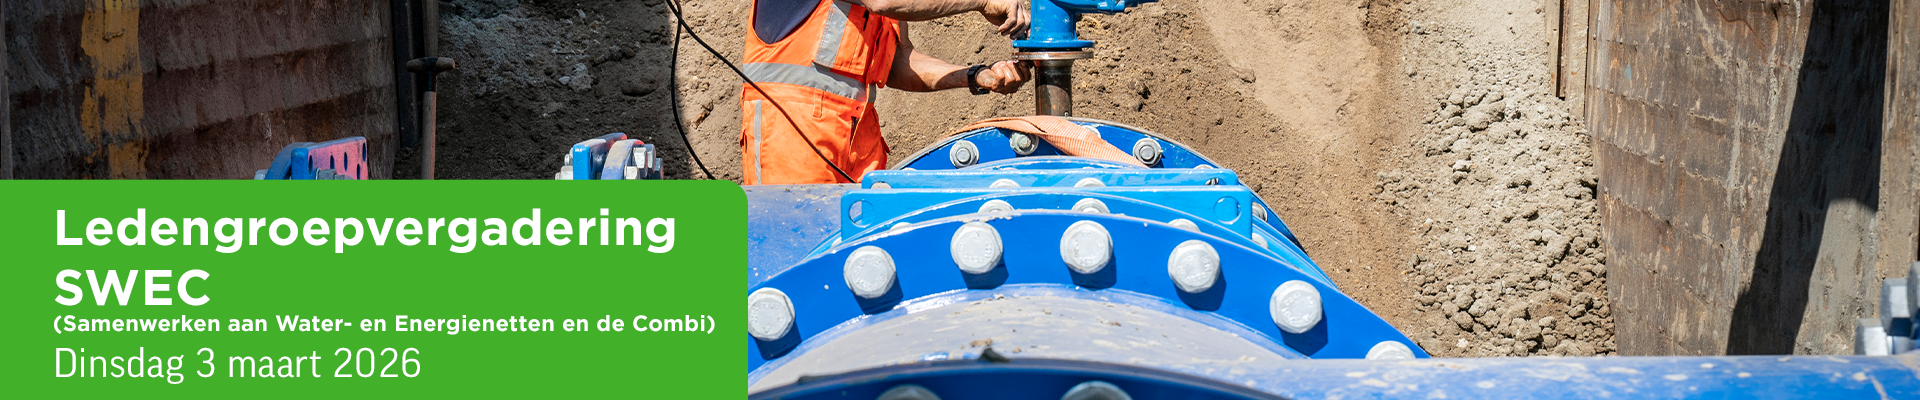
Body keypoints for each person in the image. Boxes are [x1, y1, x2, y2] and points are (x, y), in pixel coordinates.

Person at [740, 0, 1033, 184]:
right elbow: (883, 2)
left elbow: (898, 61)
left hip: (854, 138)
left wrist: (975, 75)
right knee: (797, 254)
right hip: (790, 135)